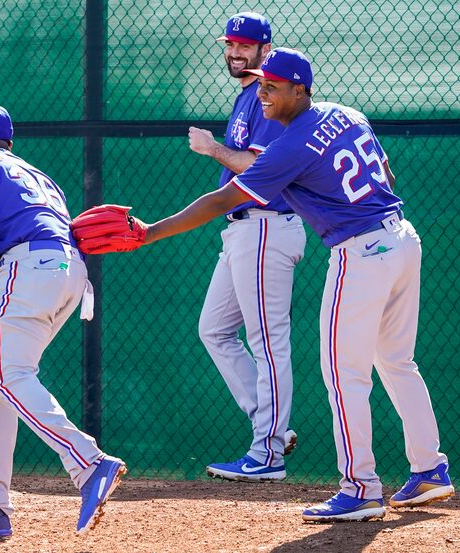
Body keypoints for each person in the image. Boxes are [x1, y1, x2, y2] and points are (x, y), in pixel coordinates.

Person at [89, 48, 454, 521]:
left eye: (273, 86)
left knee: (345, 376)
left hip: (361, 252)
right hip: (402, 239)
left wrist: (150, 232)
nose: (261, 92)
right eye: (260, 83)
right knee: (398, 363)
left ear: (299, 90)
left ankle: (361, 487)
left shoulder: (290, 146)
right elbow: (385, 173)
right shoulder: (347, 113)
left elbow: (223, 198)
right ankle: (429, 469)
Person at [0, 104, 126, 540]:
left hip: (27, 268)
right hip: (68, 273)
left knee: (6, 376)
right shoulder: (39, 176)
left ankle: (89, 463)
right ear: (10, 144)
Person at [189, 12, 305, 482]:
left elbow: (255, 170)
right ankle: (271, 424)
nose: (235, 52)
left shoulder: (269, 96)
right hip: (242, 230)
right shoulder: (248, 96)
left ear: (265, 49)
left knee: (267, 342)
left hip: (266, 225)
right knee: (213, 329)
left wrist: (213, 148)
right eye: (230, 44)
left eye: (245, 45)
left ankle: (268, 453)